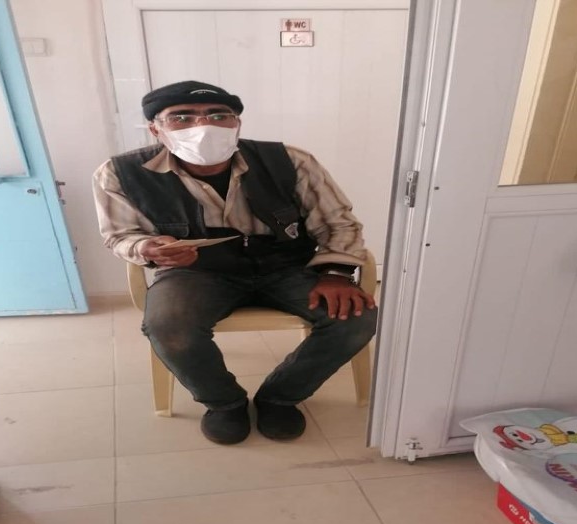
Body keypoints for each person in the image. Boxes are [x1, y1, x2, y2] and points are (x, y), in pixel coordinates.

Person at [93, 80, 377, 445]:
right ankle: (224, 403)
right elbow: (119, 235)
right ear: (156, 129)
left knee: (355, 320)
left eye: (218, 115)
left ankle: (280, 397)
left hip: (286, 265)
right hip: (194, 271)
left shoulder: (290, 161)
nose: (203, 126)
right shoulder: (120, 173)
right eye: (181, 117)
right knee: (169, 326)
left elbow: (338, 222)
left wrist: (336, 273)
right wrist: (148, 247)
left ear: (236, 123)